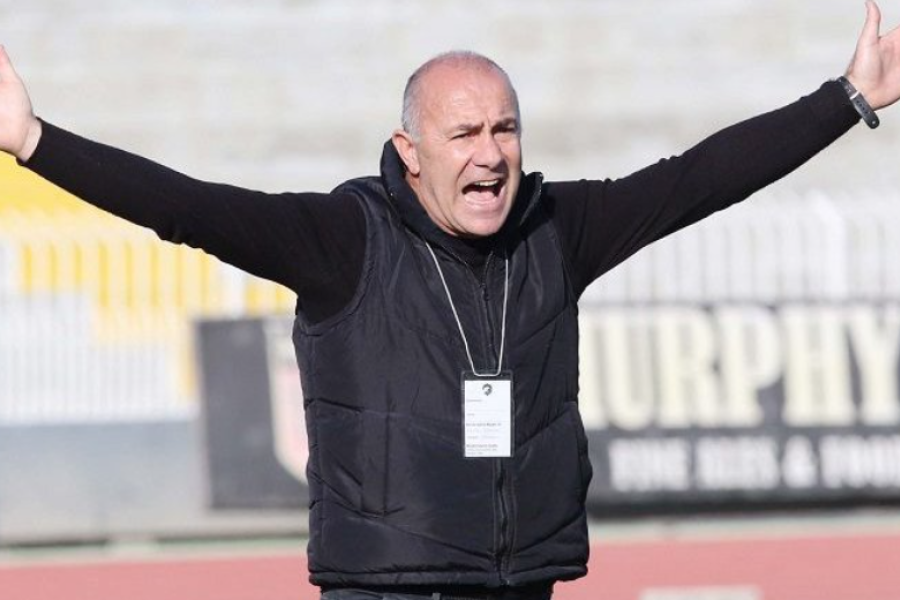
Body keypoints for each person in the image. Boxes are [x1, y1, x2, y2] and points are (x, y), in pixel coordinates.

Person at [3, 2, 900, 599]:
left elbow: (699, 180)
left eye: (505, 128)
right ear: (411, 151)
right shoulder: (344, 238)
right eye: (463, 132)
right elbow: (188, 208)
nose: (490, 153)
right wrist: (36, 140)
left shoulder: (558, 227)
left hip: (524, 580)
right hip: (390, 586)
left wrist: (849, 98)